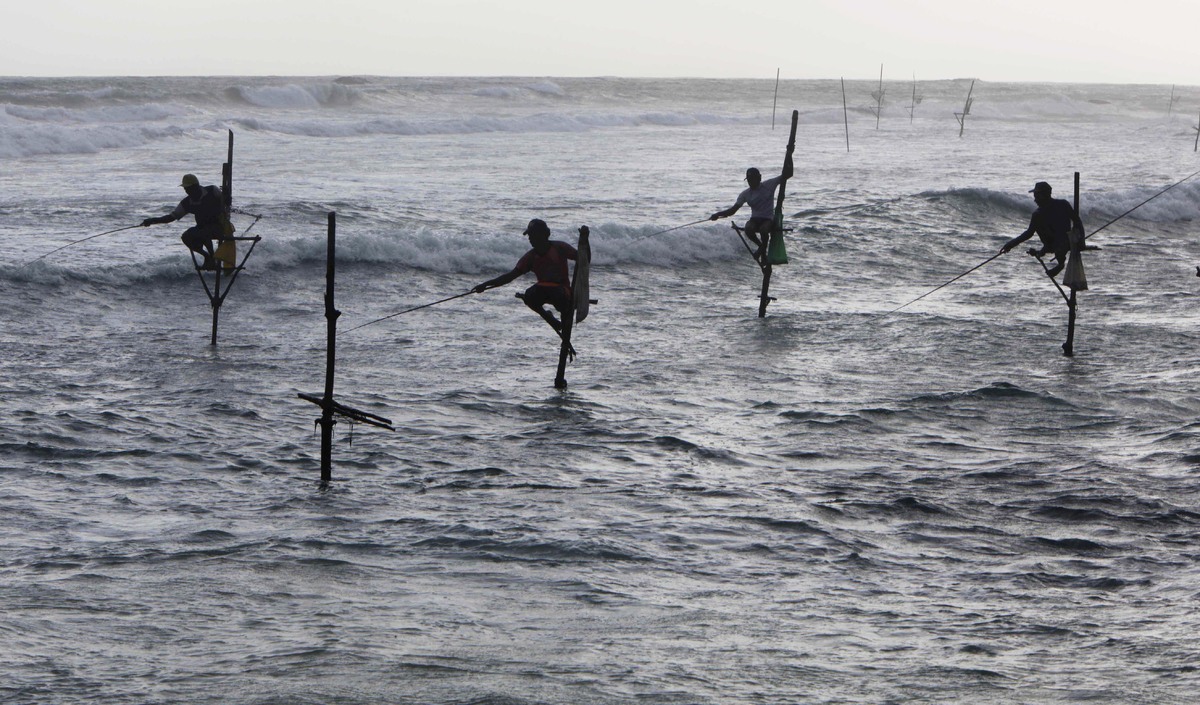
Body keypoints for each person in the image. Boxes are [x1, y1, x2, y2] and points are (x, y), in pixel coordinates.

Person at [473, 219, 584, 337]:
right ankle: (549, 317)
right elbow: (509, 277)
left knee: (562, 303)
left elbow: (583, 259)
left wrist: (584, 242)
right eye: (529, 235)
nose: (530, 238)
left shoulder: (560, 247)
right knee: (529, 295)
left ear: (545, 234)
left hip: (562, 290)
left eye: (534, 235)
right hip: (542, 289)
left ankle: (564, 328)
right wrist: (485, 285)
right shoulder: (530, 257)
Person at [708, 151, 794, 261]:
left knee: (764, 230)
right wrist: (717, 215)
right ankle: (762, 247)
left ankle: (762, 250)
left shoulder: (769, 185)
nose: (750, 182)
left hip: (768, 219)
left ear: (759, 178)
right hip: (755, 219)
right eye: (748, 180)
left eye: (753, 179)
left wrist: (790, 155)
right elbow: (732, 211)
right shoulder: (745, 194)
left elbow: (789, 174)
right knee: (748, 229)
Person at [141, 174, 225, 270]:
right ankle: (207, 257)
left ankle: (213, 259)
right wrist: (152, 220)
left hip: (219, 226)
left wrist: (225, 202)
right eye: (185, 189)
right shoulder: (187, 202)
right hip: (202, 228)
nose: (186, 191)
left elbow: (225, 200)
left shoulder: (212, 190)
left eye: (189, 188)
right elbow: (171, 217)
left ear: (196, 186)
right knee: (186, 237)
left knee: (203, 232)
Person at [1000, 181, 1085, 278]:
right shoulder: (1063, 204)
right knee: (1056, 234)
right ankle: (1052, 255)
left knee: (1046, 226)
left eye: (1036, 196)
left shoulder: (1038, 214)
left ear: (1042, 195)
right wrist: (1081, 240)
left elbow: (1029, 234)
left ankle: (1058, 261)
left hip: (1059, 243)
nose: (1035, 200)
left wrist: (1010, 244)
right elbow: (1077, 221)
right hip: (1064, 243)